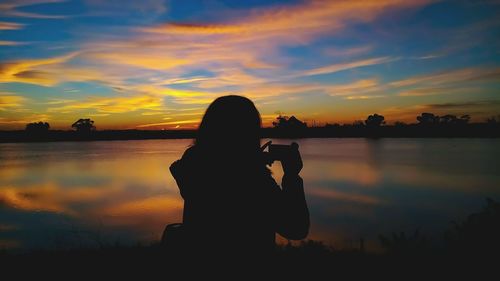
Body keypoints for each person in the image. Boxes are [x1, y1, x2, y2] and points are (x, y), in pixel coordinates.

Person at [169, 95, 309, 259]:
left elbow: (221, 164)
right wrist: (292, 176)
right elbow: (295, 227)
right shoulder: (254, 182)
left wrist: (252, 160)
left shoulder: (195, 167)